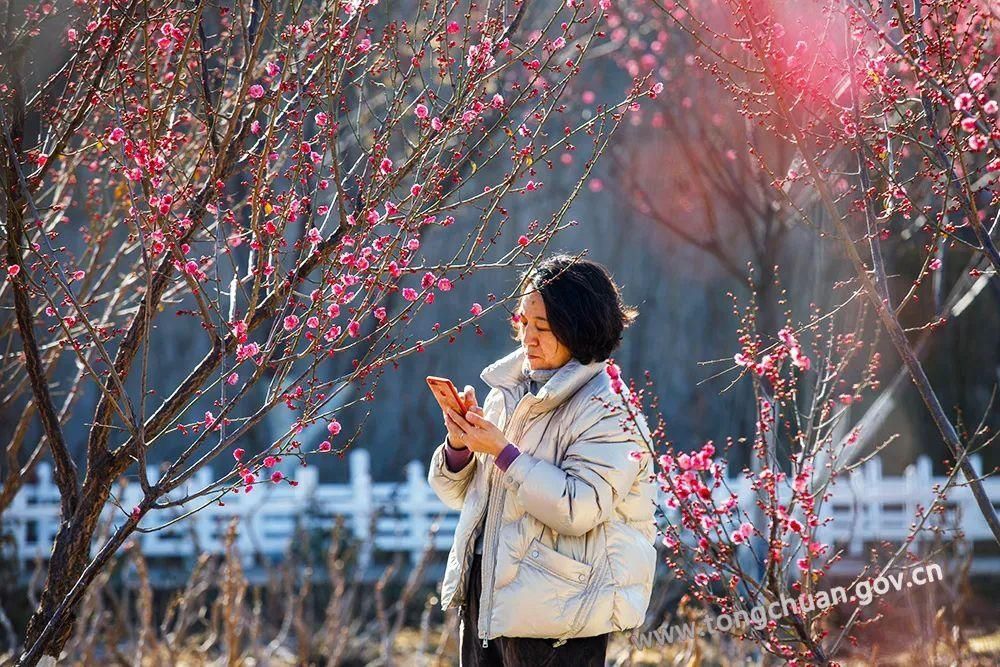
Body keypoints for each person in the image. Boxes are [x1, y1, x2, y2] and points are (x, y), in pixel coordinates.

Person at [427, 254, 658, 666]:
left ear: (579, 329)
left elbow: (578, 507)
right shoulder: (509, 390)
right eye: (523, 323)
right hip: (488, 600)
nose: (527, 337)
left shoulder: (609, 408)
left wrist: (503, 452)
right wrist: (460, 447)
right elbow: (458, 495)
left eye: (543, 328)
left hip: (561, 614)